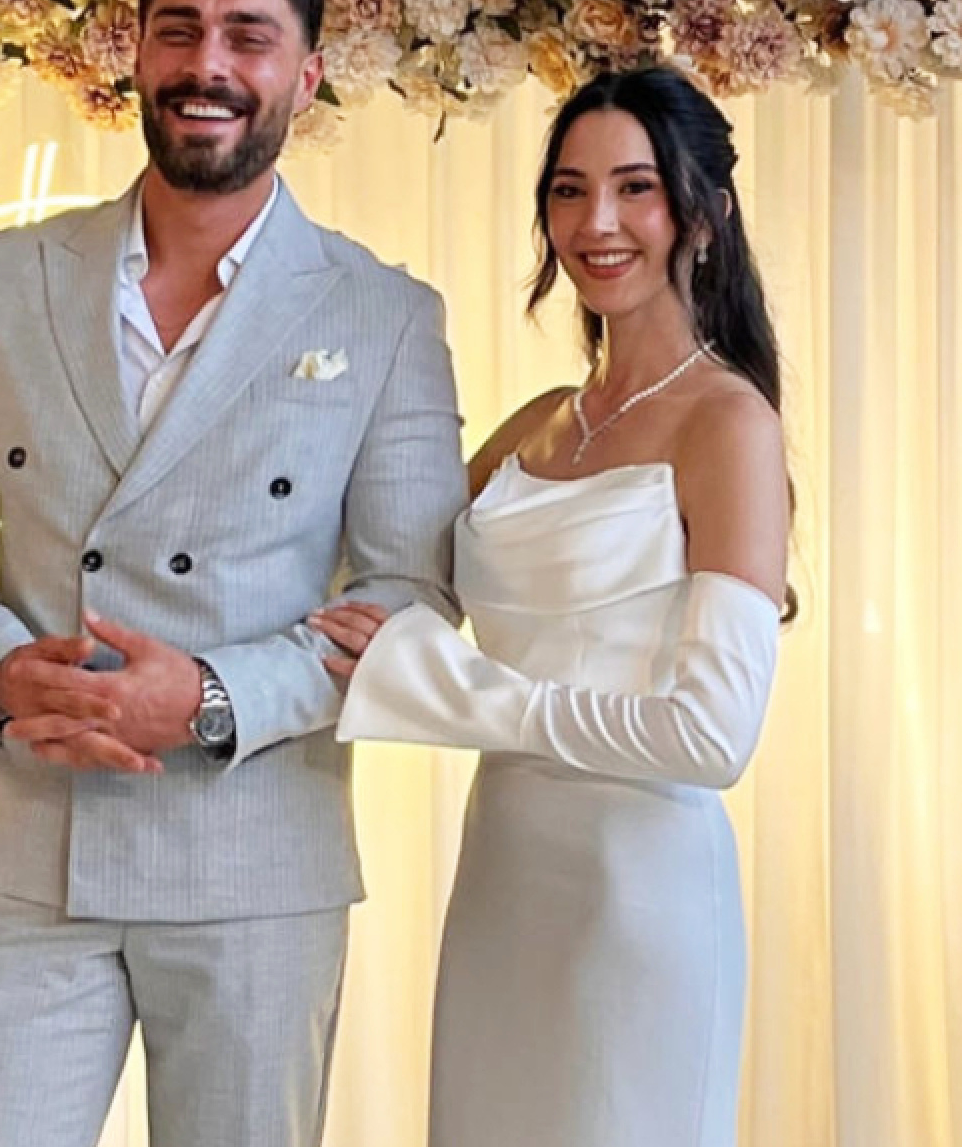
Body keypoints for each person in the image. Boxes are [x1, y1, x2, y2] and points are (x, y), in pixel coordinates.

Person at [0, 0, 466, 1147]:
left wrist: (209, 694)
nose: (208, 65)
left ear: (304, 74)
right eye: (178, 31)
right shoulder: (7, 274)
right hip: (30, 839)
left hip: (253, 857)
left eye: (248, 36)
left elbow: (414, 593)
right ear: (134, 55)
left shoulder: (382, 312)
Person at [311, 66, 790, 1147]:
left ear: (704, 214)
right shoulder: (537, 420)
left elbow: (712, 736)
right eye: (569, 191)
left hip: (639, 899)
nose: (596, 222)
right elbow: (376, 576)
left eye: (634, 188)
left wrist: (452, 691)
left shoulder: (727, 422)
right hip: (501, 884)